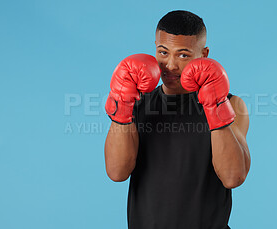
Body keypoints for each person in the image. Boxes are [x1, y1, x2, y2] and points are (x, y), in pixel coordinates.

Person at [104, 10, 250, 229]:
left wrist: (214, 106)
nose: (170, 65)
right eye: (163, 52)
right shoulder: (136, 102)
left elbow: (232, 177)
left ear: (204, 54)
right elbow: (117, 172)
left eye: (183, 55)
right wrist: (122, 106)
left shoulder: (232, 105)